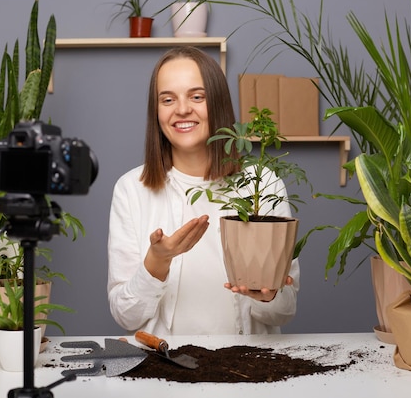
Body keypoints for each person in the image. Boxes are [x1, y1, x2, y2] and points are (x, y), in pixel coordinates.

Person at [107, 46, 300, 336]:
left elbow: (285, 311)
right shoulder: (131, 190)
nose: (182, 109)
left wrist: (269, 295)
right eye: (167, 99)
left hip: (249, 370)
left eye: (197, 96)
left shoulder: (263, 183)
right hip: (166, 371)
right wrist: (157, 262)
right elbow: (125, 316)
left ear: (219, 103)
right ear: (156, 111)